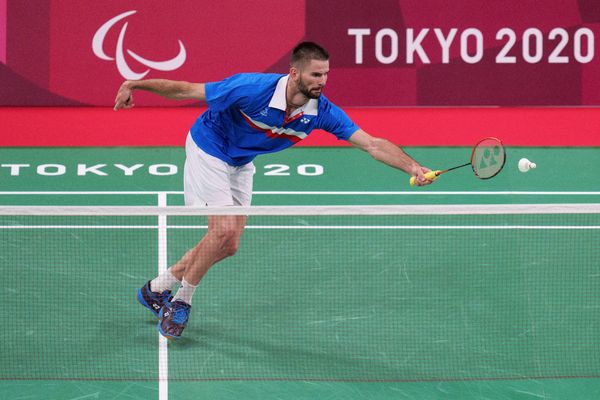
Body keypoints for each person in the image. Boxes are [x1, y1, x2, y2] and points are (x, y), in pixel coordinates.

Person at [114, 41, 433, 340]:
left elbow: (373, 144)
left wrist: (413, 167)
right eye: (315, 74)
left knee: (228, 244)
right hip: (210, 148)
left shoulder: (321, 112)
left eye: (326, 74)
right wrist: (134, 84)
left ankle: (156, 288)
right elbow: (187, 90)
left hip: (241, 160)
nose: (322, 81)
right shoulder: (251, 89)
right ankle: (181, 302)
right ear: (295, 73)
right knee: (222, 229)